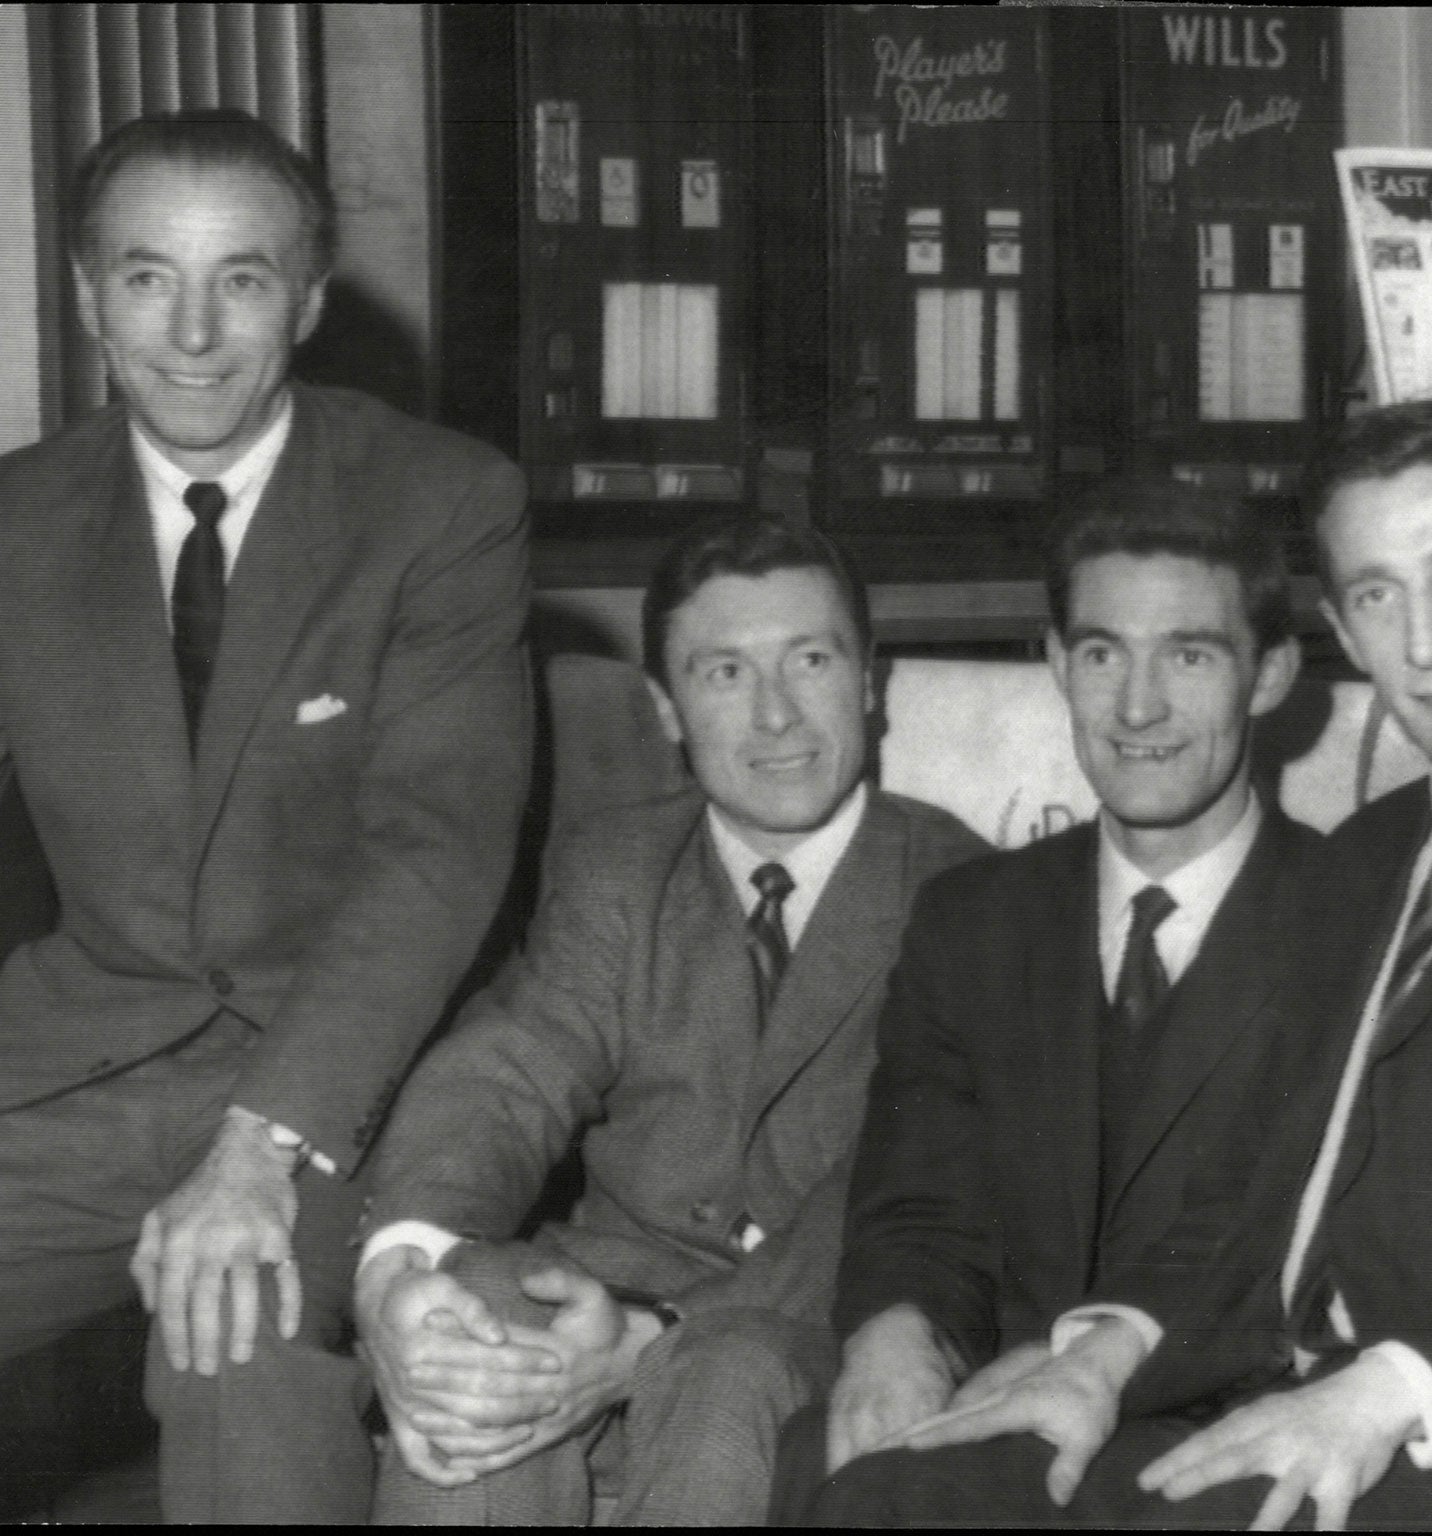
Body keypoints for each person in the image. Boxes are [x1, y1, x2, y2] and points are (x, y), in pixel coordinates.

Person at [805, 402, 1432, 1530]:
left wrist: (1372, 1398)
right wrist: (1100, 1358)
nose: (1424, 646)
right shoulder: (1366, 858)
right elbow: (1252, 1190)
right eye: (1377, 596)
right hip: (1280, 1407)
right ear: (1343, 631)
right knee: (891, 1496)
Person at [0, 109, 531, 1521]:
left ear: (306, 301)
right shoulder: (15, 522)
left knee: (235, 1339)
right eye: (146, 277)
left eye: (239, 279)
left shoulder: (442, 506)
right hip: (77, 1062)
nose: (190, 333)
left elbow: (434, 857)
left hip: (339, 1074)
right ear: (87, 295)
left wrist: (258, 1144)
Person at [356, 516, 984, 1525]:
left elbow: (899, 1188)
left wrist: (659, 1332)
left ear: (869, 680)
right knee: (479, 1323)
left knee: (724, 1373)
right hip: (605, 1286)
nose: (775, 716)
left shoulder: (967, 893)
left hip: (824, 1321)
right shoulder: (618, 867)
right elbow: (510, 1070)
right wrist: (405, 1260)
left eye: (810, 661)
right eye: (725, 673)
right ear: (665, 708)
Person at [777, 478, 1341, 1518]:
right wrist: (899, 1333)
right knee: (830, 1456)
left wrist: (1081, 1361)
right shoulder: (972, 919)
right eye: (1101, 654)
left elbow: (1295, 1249)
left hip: (1235, 1423)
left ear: (1269, 675)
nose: (1137, 707)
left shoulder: (1351, 918)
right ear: (1053, 663)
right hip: (996, 1405)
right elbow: (920, 1202)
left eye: (1188, 656)